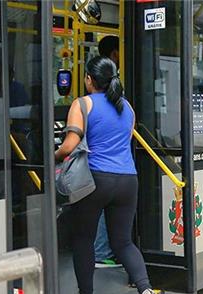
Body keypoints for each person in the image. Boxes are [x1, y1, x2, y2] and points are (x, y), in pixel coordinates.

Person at [55, 56, 156, 294]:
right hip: (128, 180)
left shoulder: (83, 104)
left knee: (83, 239)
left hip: (95, 180)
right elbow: (126, 137)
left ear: (89, 79)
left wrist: (53, 155)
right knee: (123, 242)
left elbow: (70, 145)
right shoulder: (127, 107)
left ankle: (86, 292)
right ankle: (145, 288)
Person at [94, 35, 121, 268]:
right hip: (116, 165)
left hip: (100, 164)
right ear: (114, 55)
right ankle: (102, 250)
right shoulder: (120, 100)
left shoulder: (86, 103)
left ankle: (103, 249)